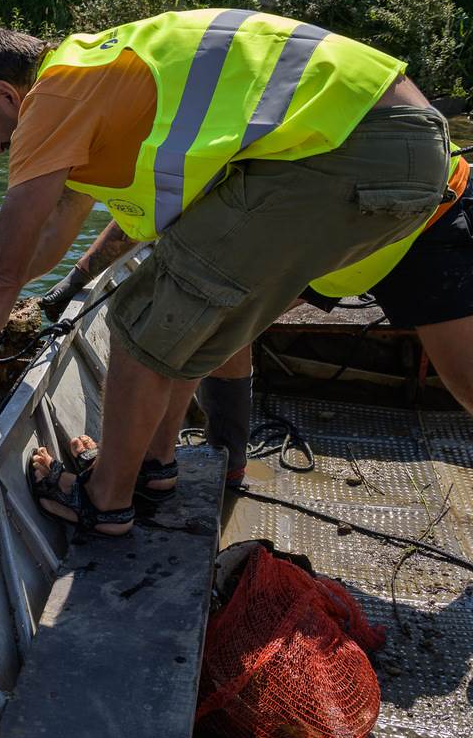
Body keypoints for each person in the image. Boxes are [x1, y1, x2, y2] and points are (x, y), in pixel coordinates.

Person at [0, 9, 455, 536]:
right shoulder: (97, 80)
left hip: (357, 147)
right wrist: (62, 289)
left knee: (139, 319)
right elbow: (48, 235)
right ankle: (152, 466)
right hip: (392, 142)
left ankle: (105, 499)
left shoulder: (55, 95)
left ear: (6, 95)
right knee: (185, 323)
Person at [37, 149, 472, 491]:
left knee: (465, 382)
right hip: (333, 218)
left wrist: (75, 279)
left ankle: (143, 468)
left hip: (421, 211)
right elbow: (138, 217)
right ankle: (223, 460)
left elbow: (145, 215)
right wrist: (73, 281)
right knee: (224, 323)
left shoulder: (193, 143)